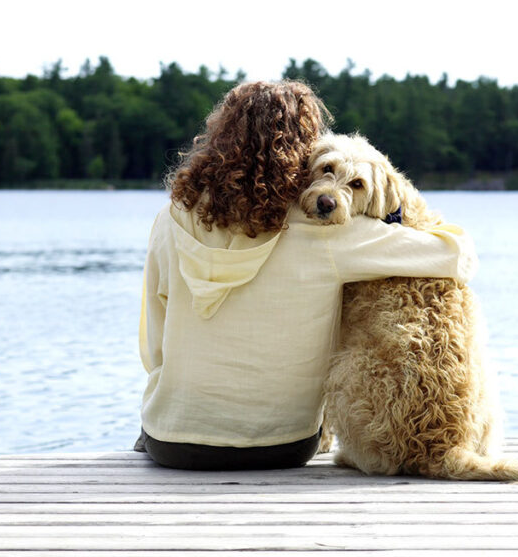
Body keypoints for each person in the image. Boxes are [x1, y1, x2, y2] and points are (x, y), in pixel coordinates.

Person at [136, 80, 478, 470]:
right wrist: (401, 204)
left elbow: (153, 344)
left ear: (218, 138)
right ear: (301, 152)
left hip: (173, 442)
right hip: (282, 445)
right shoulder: (329, 232)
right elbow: (458, 257)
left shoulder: (171, 218)